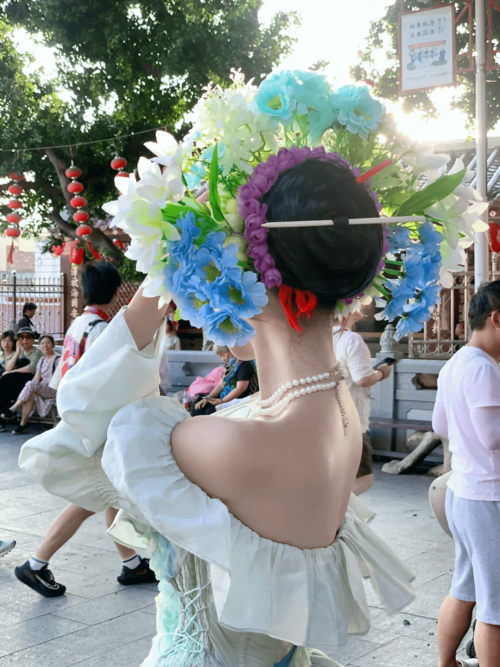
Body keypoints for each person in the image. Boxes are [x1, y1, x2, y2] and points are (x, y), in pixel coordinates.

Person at [19, 156, 416, 666]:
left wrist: (164, 268)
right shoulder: (335, 408)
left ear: (243, 274)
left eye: (213, 270)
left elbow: (82, 423)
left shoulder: (233, 443)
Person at [14, 261, 156, 598]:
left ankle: (131, 563)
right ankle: (36, 563)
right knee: (94, 496)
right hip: (96, 421)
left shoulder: (79, 323)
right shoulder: (103, 328)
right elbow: (108, 379)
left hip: (79, 415)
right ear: (117, 290)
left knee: (109, 491)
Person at [432, 280, 500, 667]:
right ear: (497, 319)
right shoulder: (483, 368)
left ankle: (447, 663)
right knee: (495, 604)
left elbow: (441, 425)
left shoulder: (455, 363)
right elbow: (493, 437)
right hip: (488, 497)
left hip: (462, 491)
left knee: (465, 587)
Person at [333, 309, 393, 495]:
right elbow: (362, 379)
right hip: (350, 418)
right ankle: (335, 514)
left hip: (325, 418)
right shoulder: (350, 340)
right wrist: (382, 372)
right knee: (363, 478)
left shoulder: (318, 339)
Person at [2, 334, 60, 435]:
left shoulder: (58, 359)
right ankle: (23, 425)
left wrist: (31, 386)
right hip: (43, 388)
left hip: (54, 388)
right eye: (42, 343)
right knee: (30, 393)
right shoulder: (41, 360)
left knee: (31, 385)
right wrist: (29, 388)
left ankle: (13, 408)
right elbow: (36, 378)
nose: (45, 345)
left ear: (53, 345)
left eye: (48, 343)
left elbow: (60, 378)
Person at [191, 344, 258, 416]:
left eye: (223, 355)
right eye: (220, 356)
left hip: (240, 399)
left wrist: (223, 401)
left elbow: (240, 388)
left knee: (210, 412)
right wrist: (208, 398)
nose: (222, 359)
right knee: (198, 410)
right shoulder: (229, 364)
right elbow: (220, 385)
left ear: (232, 351)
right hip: (226, 397)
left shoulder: (245, 364)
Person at [0, 327, 43, 431]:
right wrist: (18, 350)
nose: (24, 340)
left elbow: (31, 369)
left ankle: (6, 418)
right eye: (22, 337)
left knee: (5, 380)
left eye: (28, 337)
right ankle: (4, 419)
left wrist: (11, 372)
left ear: (33, 339)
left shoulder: (37, 352)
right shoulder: (20, 352)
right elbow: (9, 368)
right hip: (18, 384)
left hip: (32, 382)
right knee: (3, 386)